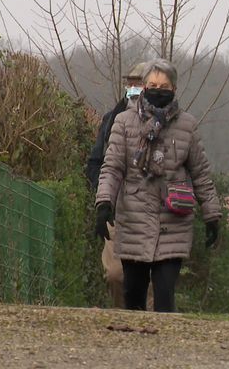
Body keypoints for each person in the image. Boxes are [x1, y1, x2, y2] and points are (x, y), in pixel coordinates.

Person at [94, 58, 221, 312]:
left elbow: (201, 174)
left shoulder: (187, 125)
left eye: (163, 85)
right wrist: (104, 202)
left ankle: (166, 348)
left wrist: (212, 215)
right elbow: (112, 168)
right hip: (134, 219)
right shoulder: (123, 122)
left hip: (172, 220)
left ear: (174, 89)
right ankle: (135, 346)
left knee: (164, 295)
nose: (157, 89)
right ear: (143, 87)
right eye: (152, 84)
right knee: (133, 295)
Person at [86, 62, 146, 308]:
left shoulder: (167, 121)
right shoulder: (111, 119)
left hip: (151, 212)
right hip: (117, 210)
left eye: (139, 83)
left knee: (148, 276)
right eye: (130, 83)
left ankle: (152, 326)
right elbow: (95, 162)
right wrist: (103, 197)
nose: (133, 88)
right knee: (114, 274)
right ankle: (124, 316)